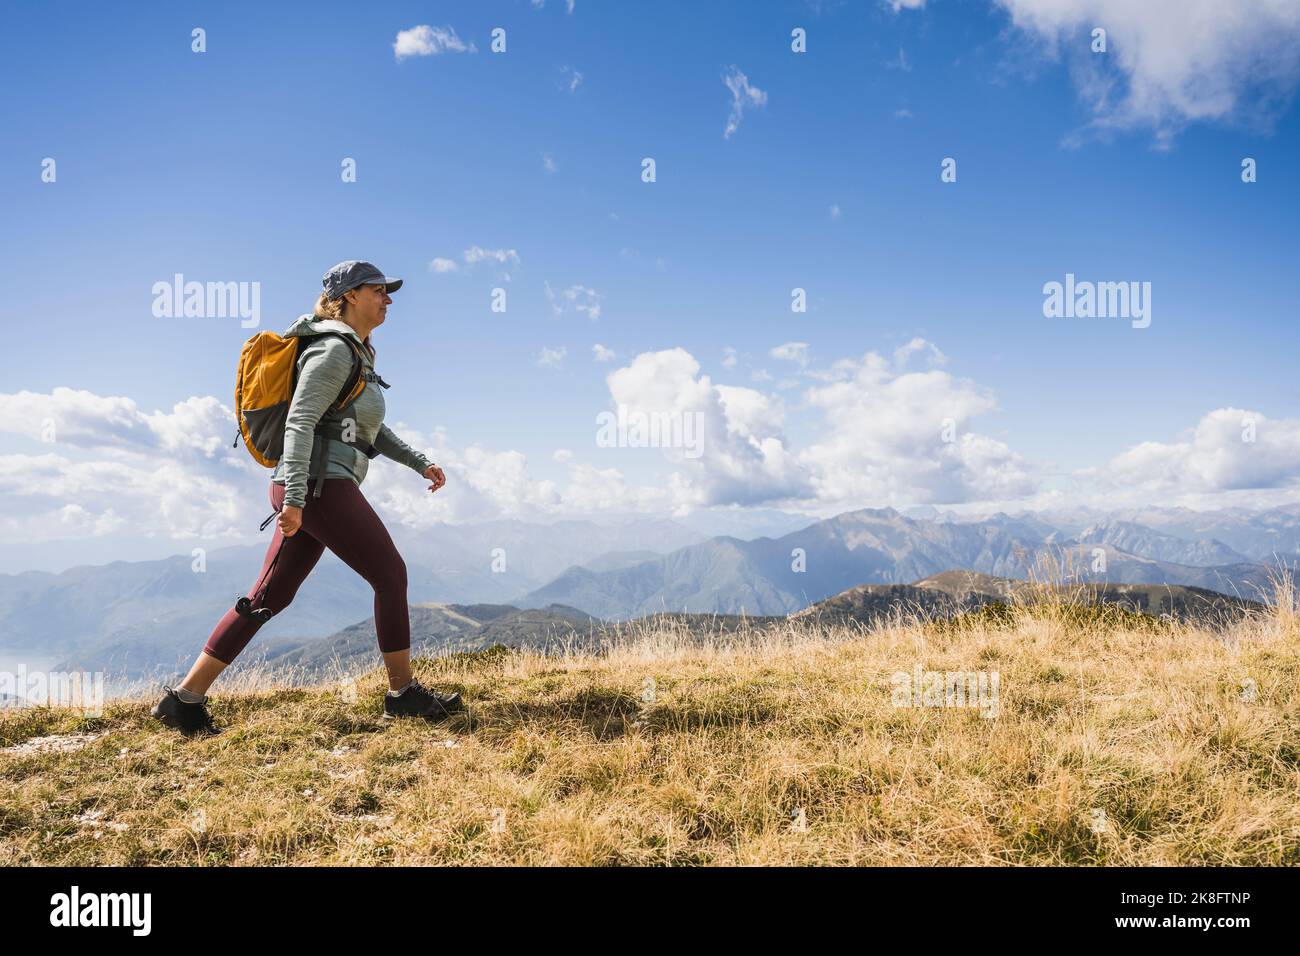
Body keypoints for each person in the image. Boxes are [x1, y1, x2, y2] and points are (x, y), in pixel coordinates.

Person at [152, 260, 462, 735]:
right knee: (390, 574)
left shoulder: (356, 352)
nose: (389, 299)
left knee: (268, 597)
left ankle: (183, 700)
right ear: (351, 295)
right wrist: (295, 498)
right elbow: (299, 422)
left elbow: (369, 429)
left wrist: (420, 461)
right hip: (317, 487)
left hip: (312, 487)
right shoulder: (334, 351)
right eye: (379, 290)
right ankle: (403, 696)